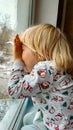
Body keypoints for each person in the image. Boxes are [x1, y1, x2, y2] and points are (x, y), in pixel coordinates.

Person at [8, 24, 73, 130]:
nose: (20, 54)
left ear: (39, 51)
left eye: (23, 50)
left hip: (58, 127)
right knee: (27, 118)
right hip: (62, 122)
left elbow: (14, 90)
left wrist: (17, 61)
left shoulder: (45, 68)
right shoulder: (56, 67)